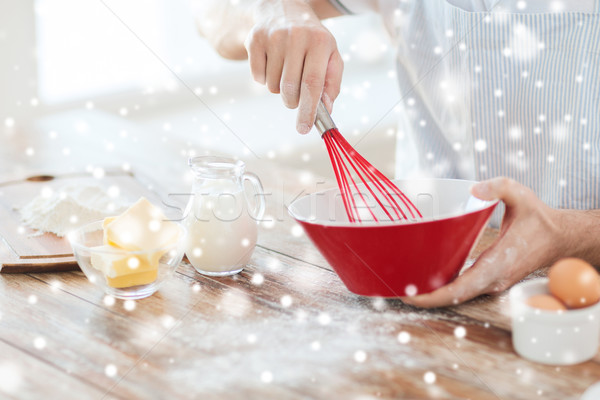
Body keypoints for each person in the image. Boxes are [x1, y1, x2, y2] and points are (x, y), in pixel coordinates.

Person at [195, 0, 600, 307]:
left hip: (583, 296)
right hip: (411, 277)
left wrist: (569, 234)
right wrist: (274, 8)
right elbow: (211, 16)